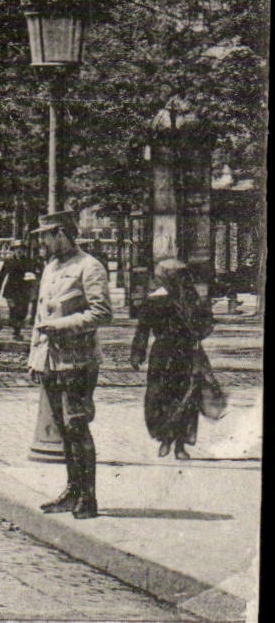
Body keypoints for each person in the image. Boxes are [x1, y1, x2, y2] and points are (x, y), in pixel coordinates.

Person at [28, 210, 112, 519]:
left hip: (78, 360)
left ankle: (87, 497)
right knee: (64, 429)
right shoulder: (51, 267)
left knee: (77, 425)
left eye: (47, 236)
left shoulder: (90, 267)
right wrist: (35, 359)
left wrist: (63, 325)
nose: (44, 242)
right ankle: (71, 491)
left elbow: (102, 313)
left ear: (61, 233)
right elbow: (40, 318)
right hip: (51, 360)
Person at [131, 258, 214, 460]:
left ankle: (178, 444)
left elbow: (206, 323)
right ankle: (168, 439)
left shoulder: (190, 299)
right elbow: (143, 328)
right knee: (162, 396)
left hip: (180, 352)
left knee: (184, 396)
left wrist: (138, 352)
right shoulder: (158, 300)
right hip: (169, 353)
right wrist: (138, 352)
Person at [0, 240, 37, 341]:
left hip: (24, 289)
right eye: (17, 249)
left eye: (21, 249)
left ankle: (17, 328)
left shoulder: (28, 261)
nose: (19, 251)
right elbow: (2, 275)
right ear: (13, 250)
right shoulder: (9, 261)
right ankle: (16, 331)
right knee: (13, 310)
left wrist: (32, 287)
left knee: (23, 311)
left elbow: (32, 274)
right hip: (11, 289)